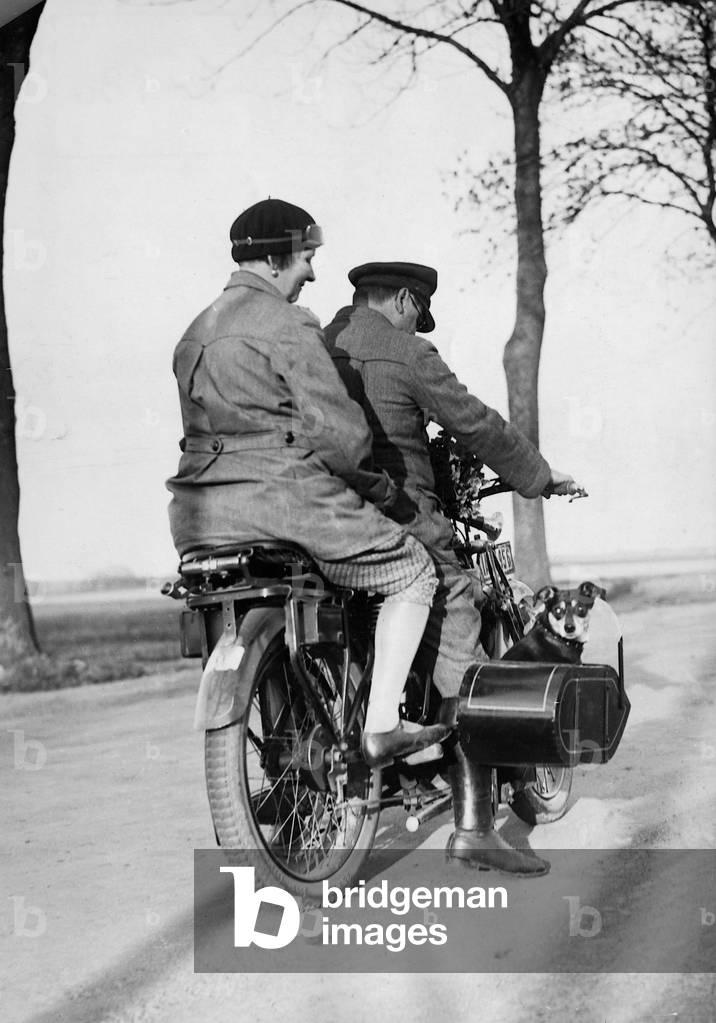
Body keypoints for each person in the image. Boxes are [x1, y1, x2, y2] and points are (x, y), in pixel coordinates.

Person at [166, 204, 448, 769]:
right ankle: (385, 725)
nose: (312, 274)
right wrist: (381, 494)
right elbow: (341, 437)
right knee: (414, 569)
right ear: (274, 260)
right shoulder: (289, 325)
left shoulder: (194, 332)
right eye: (306, 259)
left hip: (197, 520)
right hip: (288, 507)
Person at [323, 261, 576, 876]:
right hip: (404, 521)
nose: (416, 323)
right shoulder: (406, 353)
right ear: (406, 301)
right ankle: (475, 829)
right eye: (417, 312)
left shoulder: (321, 343)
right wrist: (541, 476)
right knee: (457, 622)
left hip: (325, 524)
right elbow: (474, 421)